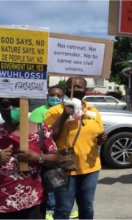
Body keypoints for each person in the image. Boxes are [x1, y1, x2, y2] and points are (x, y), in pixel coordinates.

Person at [0, 97, 59, 219]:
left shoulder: (40, 130)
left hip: (32, 202)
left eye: (16, 104)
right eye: (5, 105)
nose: (11, 108)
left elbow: (56, 159)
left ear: (25, 105)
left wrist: (37, 157)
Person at [44, 77, 107, 219]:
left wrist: (101, 139)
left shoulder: (93, 111)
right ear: (66, 89)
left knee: (87, 206)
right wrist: (64, 115)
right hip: (65, 168)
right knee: (64, 208)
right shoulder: (54, 111)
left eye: (79, 87)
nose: (75, 90)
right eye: (71, 87)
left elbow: (97, 137)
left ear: (85, 90)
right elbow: (48, 137)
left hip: (90, 168)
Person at [29, 86, 64, 220]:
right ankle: (50, 208)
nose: (55, 98)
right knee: (48, 179)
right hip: (45, 152)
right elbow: (34, 134)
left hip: (61, 151)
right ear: (47, 96)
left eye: (58, 96)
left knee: (59, 180)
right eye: (52, 95)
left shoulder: (66, 110)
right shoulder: (39, 112)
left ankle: (58, 206)